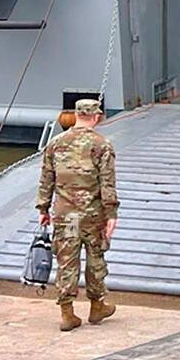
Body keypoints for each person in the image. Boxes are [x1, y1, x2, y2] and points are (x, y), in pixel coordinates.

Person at [35, 99, 119, 331]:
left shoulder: (55, 143)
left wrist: (43, 209)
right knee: (95, 258)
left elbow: (46, 179)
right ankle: (97, 306)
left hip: (67, 216)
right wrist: (111, 214)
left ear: (75, 115)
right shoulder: (102, 145)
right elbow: (107, 183)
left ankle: (67, 313)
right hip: (93, 216)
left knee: (67, 260)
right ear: (96, 117)